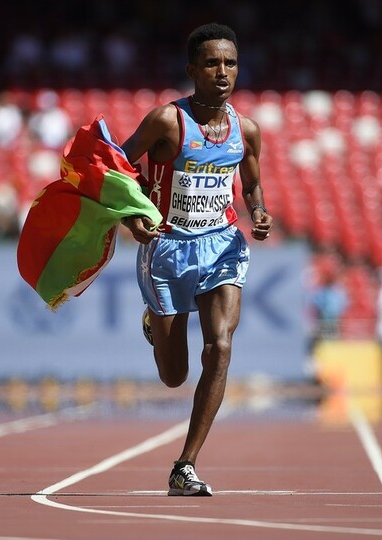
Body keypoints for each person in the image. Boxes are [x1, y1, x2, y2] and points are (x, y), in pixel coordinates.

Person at [120, 22, 272, 496]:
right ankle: (155, 320)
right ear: (192, 70)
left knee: (220, 348)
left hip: (222, 244)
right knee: (174, 376)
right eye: (211, 63)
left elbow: (251, 184)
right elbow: (118, 165)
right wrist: (132, 216)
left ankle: (184, 465)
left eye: (230, 63)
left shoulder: (246, 130)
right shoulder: (167, 121)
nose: (222, 72)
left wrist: (258, 212)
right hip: (167, 248)